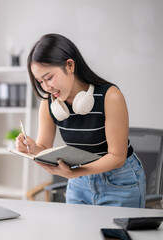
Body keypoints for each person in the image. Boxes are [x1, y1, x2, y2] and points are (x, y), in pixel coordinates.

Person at [15, 33, 146, 208]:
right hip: (79, 182)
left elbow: (117, 157)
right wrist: (31, 148)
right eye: (40, 82)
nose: (46, 87)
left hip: (120, 180)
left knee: (117, 235)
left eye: (48, 78)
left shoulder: (110, 97)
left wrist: (75, 173)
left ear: (69, 66)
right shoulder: (49, 103)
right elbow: (44, 148)